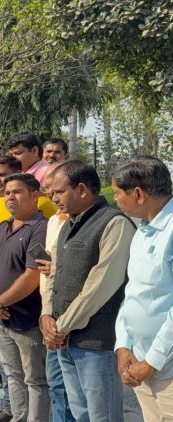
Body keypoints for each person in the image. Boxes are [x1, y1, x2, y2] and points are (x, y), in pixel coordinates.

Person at [39, 160, 134, 421]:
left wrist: (61, 327)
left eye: (59, 191)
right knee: (80, 413)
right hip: (65, 339)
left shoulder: (114, 223)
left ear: (81, 189)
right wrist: (46, 314)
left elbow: (100, 285)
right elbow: (54, 274)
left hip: (95, 343)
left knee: (102, 415)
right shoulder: (67, 225)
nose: (53, 197)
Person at [0, 155, 56, 422]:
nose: (10, 197)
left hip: (27, 319)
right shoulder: (1, 227)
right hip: (1, 317)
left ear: (35, 195)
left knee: (35, 379)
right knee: (12, 374)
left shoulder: (40, 228)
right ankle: (18, 417)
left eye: (17, 192)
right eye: (7, 193)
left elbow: (32, 276)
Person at [112, 157, 173, 421]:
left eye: (117, 193)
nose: (115, 199)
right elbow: (133, 294)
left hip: (165, 368)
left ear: (137, 194)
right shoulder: (143, 231)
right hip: (141, 365)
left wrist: (152, 362)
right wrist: (124, 346)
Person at [34, 162, 74, 421]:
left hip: (73, 315)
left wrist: (57, 266)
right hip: (49, 308)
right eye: (48, 187)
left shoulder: (91, 223)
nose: (52, 194)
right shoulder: (52, 221)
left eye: (58, 189)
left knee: (76, 390)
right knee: (57, 384)